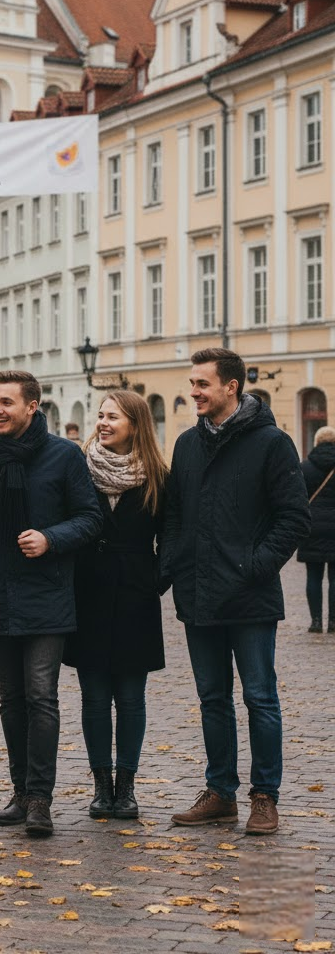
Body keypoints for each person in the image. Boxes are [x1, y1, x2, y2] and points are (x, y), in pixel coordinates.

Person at [162, 348, 309, 836]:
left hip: (249, 595)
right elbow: (175, 516)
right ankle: (220, 793)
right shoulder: (186, 445)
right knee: (212, 699)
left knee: (261, 698)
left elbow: (294, 517)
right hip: (199, 593)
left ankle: (264, 796)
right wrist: (175, 568)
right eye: (192, 383)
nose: (194, 391)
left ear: (232, 386)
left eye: (203, 384)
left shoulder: (272, 443)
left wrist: (258, 566)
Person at [0, 370, 101, 838]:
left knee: (41, 695)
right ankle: (20, 791)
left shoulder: (64, 456)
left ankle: (41, 798)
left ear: (32, 407)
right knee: (11, 699)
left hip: (48, 593)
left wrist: (50, 538)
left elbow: (91, 518)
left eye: (6, 402)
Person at [63, 392, 169, 820]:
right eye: (101, 416)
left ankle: (126, 786)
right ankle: (100, 785)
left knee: (130, 697)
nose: (103, 423)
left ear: (135, 424)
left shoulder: (159, 476)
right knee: (93, 697)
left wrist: (154, 582)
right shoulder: (79, 468)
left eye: (113, 417)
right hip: (87, 593)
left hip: (136, 597)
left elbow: (174, 537)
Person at [297, 425, 335, 633]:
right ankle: (333, 622)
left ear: (317, 442)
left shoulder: (305, 467)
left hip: (311, 527)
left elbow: (298, 499)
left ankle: (316, 621)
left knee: (313, 576)